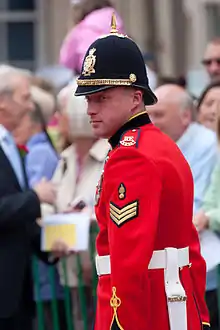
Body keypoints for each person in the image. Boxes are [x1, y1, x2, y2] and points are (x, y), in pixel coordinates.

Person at [74, 14, 210, 330]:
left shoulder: (131, 158)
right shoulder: (159, 146)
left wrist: (120, 324)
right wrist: (199, 314)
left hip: (145, 313)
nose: (91, 109)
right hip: (174, 308)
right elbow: (189, 246)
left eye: (103, 97)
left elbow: (127, 264)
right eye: (89, 98)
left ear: (137, 98)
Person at [0, 67, 70, 330]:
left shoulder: (10, 145)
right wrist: (34, 197)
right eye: (25, 98)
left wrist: (48, 246)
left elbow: (16, 218)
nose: (31, 107)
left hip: (17, 291)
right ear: (2, 102)